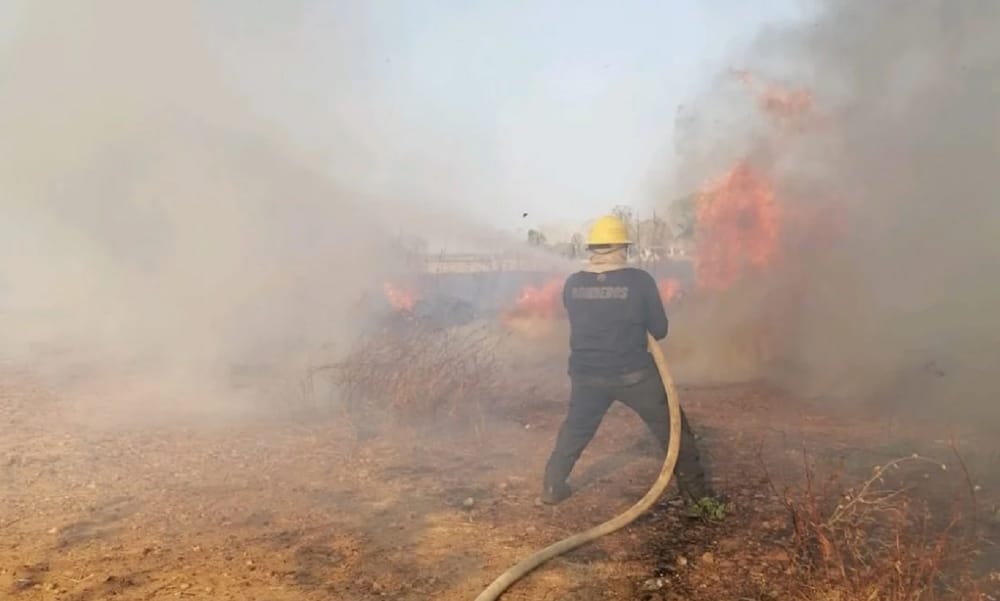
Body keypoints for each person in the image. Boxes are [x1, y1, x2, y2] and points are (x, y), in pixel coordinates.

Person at [541, 214, 712, 505]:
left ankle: (552, 487)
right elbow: (659, 329)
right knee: (674, 429)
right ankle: (698, 499)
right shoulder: (638, 281)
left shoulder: (573, 283)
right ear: (623, 247)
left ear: (592, 248)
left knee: (575, 430)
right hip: (633, 375)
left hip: (586, 376)